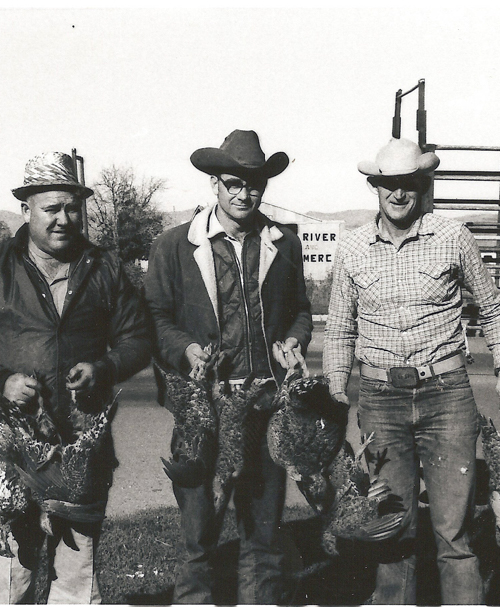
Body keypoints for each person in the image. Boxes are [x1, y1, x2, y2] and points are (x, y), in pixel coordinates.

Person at [0, 151, 151, 604]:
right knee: (14, 572)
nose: (64, 220)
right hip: (12, 446)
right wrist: (0, 381)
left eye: (73, 208)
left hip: (81, 445)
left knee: (78, 573)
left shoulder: (104, 267)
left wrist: (104, 368)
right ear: (26, 208)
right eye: (51, 208)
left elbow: (138, 338)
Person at [323, 138, 500, 604]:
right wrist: (335, 393)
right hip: (380, 400)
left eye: (407, 184)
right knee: (393, 529)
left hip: (447, 396)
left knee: (453, 532)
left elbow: (493, 308)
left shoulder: (453, 237)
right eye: (388, 185)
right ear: (375, 186)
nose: (398, 194)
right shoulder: (351, 247)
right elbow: (338, 331)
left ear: (421, 184)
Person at [144, 129, 313, 603]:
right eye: (234, 183)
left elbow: (300, 310)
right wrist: (185, 350)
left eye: (254, 184)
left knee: (262, 536)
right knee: (200, 536)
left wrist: (294, 340)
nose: (245, 193)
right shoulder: (175, 246)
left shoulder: (284, 244)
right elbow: (154, 317)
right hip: (206, 409)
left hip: (266, 404)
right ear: (214, 184)